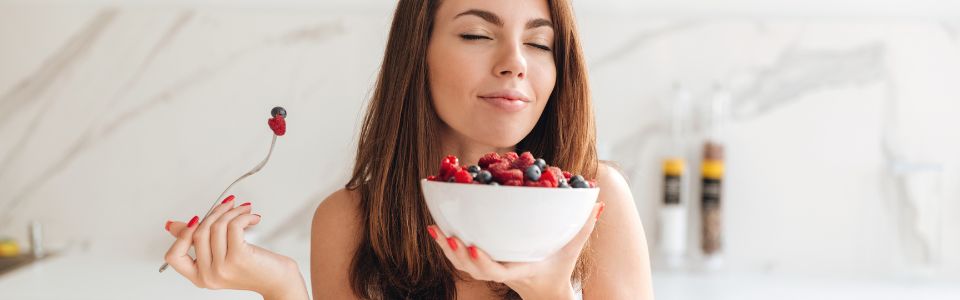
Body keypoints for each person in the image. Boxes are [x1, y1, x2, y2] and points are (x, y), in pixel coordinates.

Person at [163, 0, 654, 298]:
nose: (515, 63)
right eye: (477, 34)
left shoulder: (596, 200)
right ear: (417, 54)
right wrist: (281, 286)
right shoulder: (350, 221)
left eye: (541, 44)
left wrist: (550, 295)